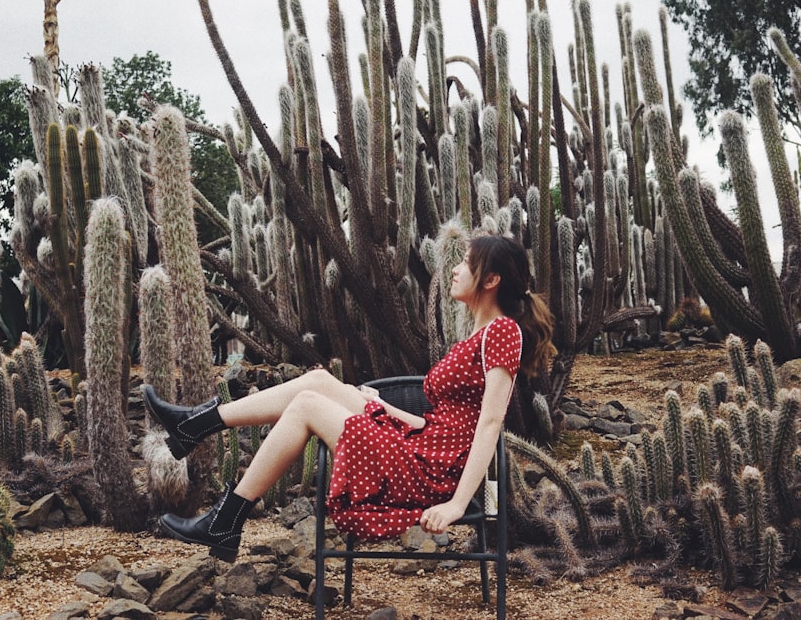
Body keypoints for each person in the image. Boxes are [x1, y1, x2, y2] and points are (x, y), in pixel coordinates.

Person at [141, 233, 556, 562]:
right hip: (425, 447)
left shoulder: (503, 332)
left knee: (306, 405)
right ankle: (194, 425)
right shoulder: (479, 335)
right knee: (322, 383)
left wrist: (456, 504)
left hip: (434, 472)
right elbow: (443, 422)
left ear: (491, 279)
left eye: (465, 262)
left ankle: (226, 517)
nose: (453, 268)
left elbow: (488, 423)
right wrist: (379, 406)